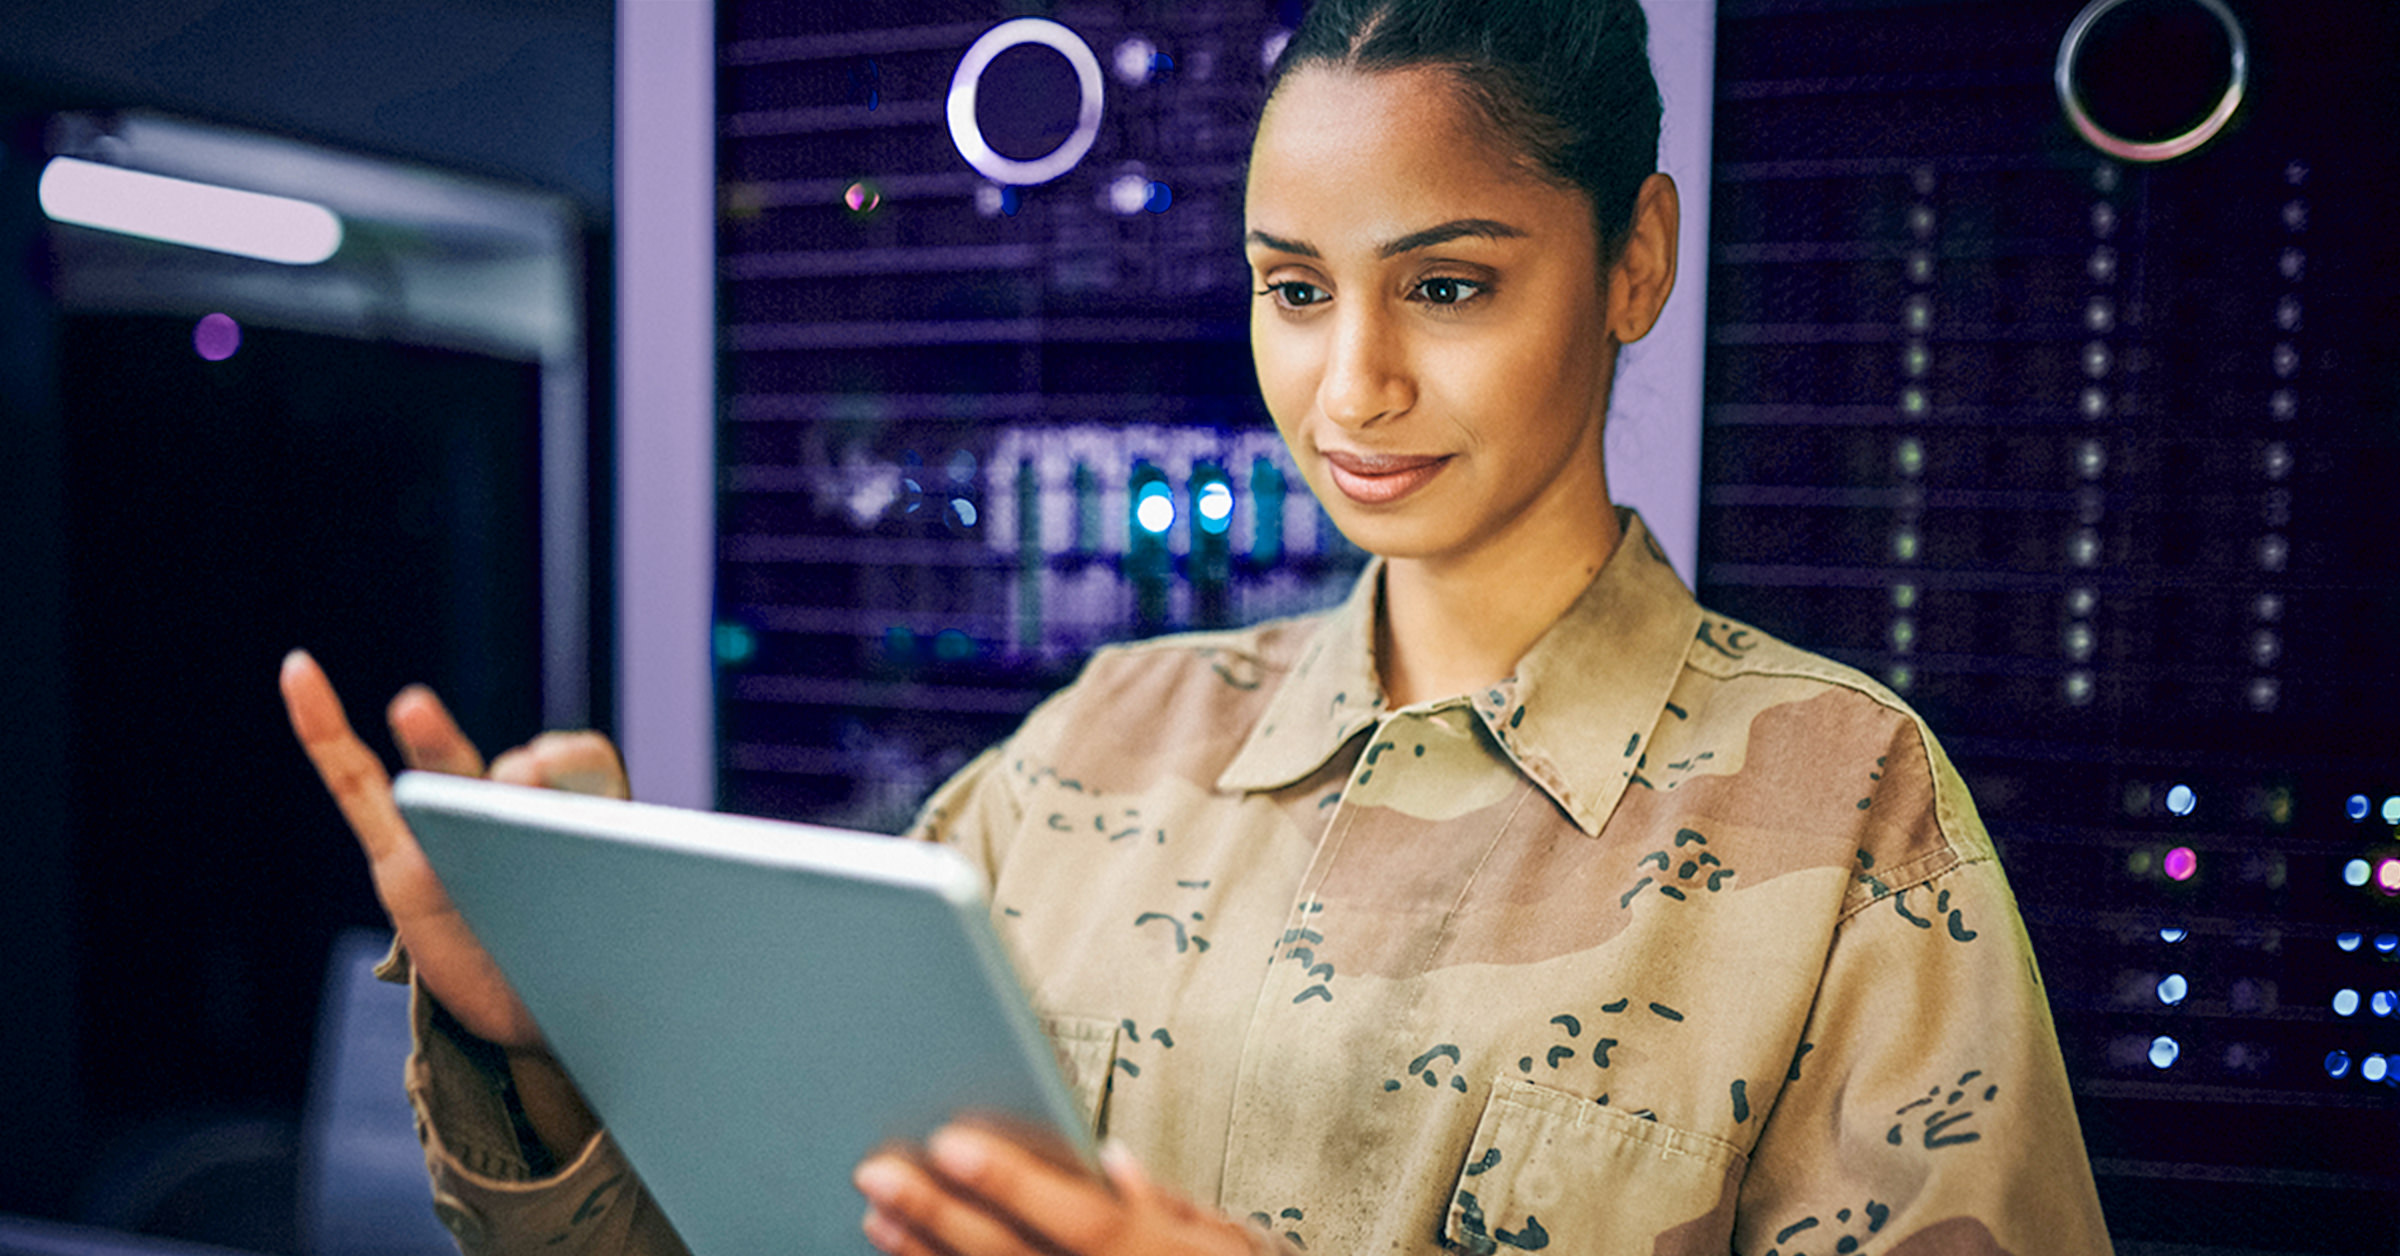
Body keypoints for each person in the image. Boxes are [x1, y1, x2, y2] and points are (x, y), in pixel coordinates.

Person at [284, 0, 2116, 1252]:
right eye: (1294, 290)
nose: (1355, 384)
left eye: (1450, 285)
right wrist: (555, 1028)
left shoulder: (1840, 810)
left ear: (1636, 258)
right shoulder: (1095, 750)